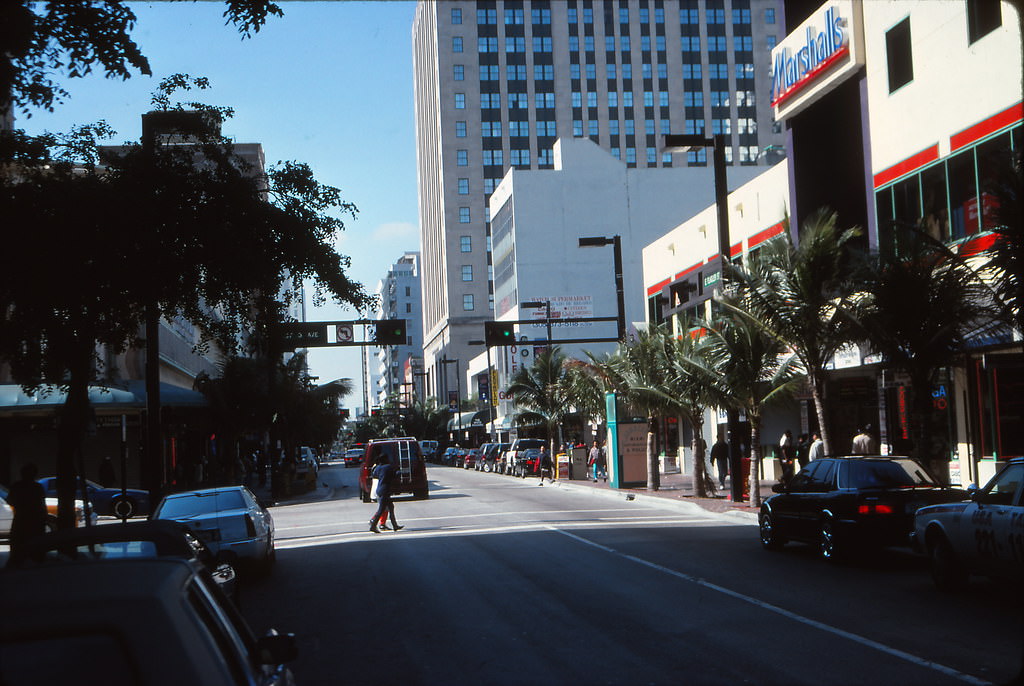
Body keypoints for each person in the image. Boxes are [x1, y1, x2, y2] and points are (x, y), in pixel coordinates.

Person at [6, 463, 48, 567]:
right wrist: (43, 517)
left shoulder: (17, 486)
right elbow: (42, 504)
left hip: (21, 519)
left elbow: (10, 500)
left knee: (18, 544)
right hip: (35, 521)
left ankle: (17, 562)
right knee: (35, 544)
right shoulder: (37, 487)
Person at [368, 455, 403, 533]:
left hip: (379, 489)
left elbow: (375, 475)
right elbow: (395, 475)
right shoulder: (388, 467)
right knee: (381, 509)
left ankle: (395, 525)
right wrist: (398, 470)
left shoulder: (378, 468)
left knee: (391, 507)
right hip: (385, 490)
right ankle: (373, 526)